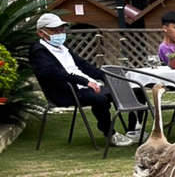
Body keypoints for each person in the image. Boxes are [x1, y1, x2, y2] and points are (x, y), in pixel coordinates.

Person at [30, 13, 140, 147]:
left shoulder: (63, 48)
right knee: (100, 98)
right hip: (66, 91)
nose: (59, 33)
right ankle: (110, 134)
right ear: (41, 33)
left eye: (61, 30)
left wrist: (107, 76)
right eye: (54, 30)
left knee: (133, 90)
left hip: (84, 85)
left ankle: (134, 130)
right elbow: (54, 73)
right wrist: (83, 81)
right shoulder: (39, 52)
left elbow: (84, 66)